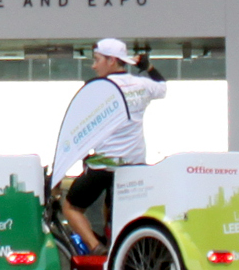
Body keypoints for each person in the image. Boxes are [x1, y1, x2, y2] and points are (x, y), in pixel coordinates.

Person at [61, 38, 167, 255]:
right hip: (134, 165)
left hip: (105, 166)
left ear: (111, 60)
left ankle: (96, 247)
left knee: (71, 207)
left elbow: (82, 128)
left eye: (97, 60)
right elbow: (163, 87)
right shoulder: (142, 84)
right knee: (114, 208)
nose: (93, 65)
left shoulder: (96, 87)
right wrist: (147, 67)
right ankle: (117, 247)